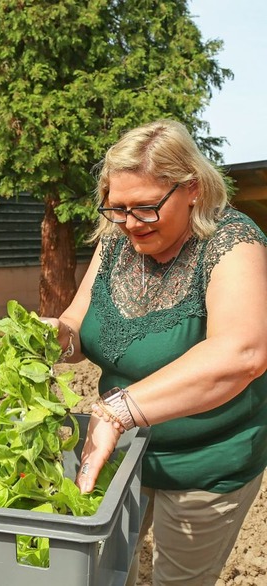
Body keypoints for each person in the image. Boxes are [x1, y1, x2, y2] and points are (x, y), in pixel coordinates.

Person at [44, 119, 267, 586]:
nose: (128, 223)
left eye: (144, 209)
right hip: (124, 455)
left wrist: (117, 411)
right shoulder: (116, 242)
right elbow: (77, 326)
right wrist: (48, 337)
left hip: (204, 466)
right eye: (116, 208)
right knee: (109, 572)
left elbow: (243, 352)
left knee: (176, 580)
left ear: (191, 190)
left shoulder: (232, 243)